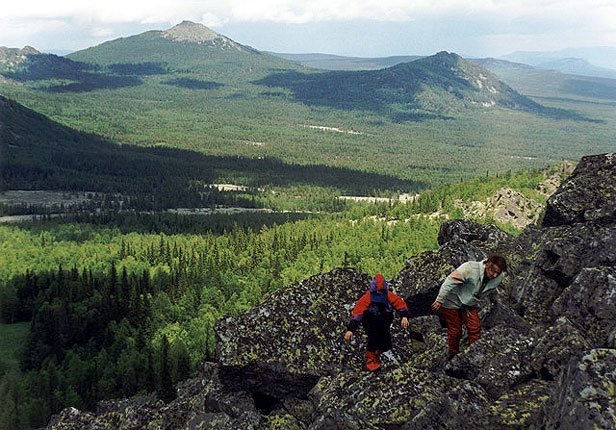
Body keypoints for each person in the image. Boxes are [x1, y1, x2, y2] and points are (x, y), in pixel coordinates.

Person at [431, 254, 508, 359]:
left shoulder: (498, 277)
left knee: (475, 328)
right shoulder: (470, 268)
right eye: (493, 271)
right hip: (451, 299)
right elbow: (449, 281)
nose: (494, 275)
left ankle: (473, 355)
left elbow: (492, 289)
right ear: (488, 264)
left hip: (470, 302)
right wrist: (439, 300)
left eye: (497, 273)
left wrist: (496, 302)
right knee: (455, 331)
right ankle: (453, 356)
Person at [344, 274, 410, 372]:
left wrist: (404, 316)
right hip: (371, 323)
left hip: (384, 323)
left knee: (386, 341)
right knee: (373, 340)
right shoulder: (367, 298)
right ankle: (370, 360)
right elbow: (358, 314)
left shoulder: (388, 295)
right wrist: (351, 330)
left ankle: (378, 354)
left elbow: (399, 303)